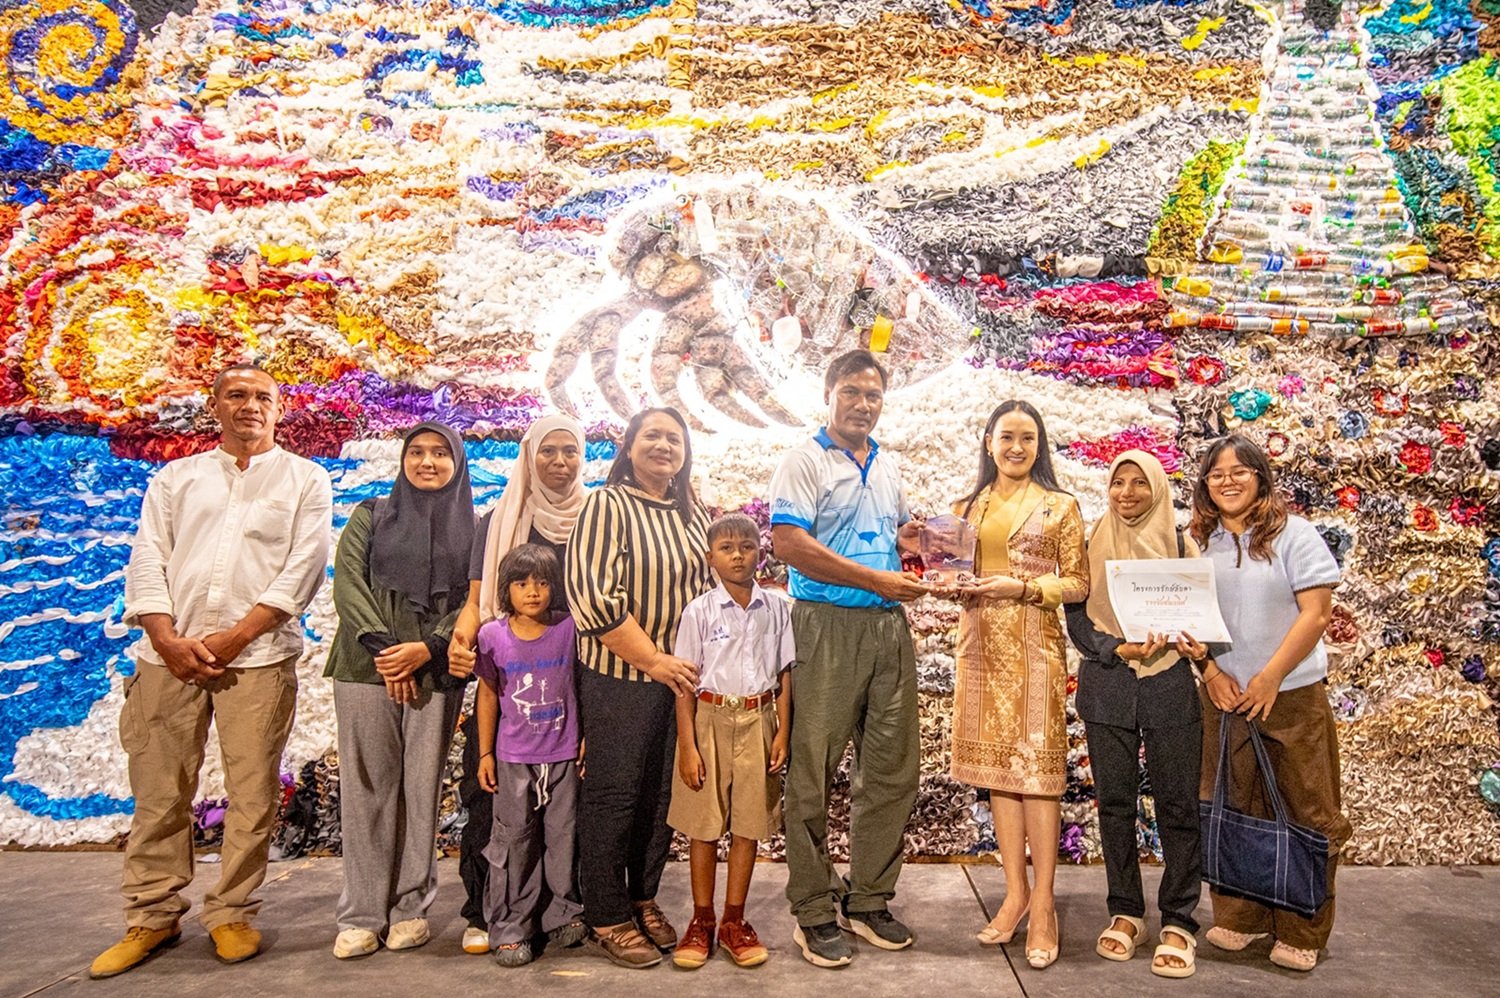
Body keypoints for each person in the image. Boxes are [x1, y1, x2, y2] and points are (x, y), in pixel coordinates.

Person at [93, 363, 332, 978]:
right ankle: (151, 915)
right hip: (166, 659)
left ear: (279, 410)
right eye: (237, 395)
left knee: (252, 793)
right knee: (160, 790)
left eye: (263, 397)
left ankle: (232, 911)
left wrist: (237, 636)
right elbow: (147, 556)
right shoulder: (177, 478)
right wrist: (164, 636)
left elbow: (304, 567)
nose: (250, 406)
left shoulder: (305, 479)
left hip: (258, 658)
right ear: (215, 406)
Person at [769, 349, 929, 969]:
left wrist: (909, 541)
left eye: (873, 395)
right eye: (852, 393)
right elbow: (790, 544)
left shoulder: (886, 465)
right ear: (829, 394)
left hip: (887, 628)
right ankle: (813, 907)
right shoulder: (804, 460)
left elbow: (892, 534)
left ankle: (867, 898)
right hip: (825, 626)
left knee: (891, 769)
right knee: (812, 770)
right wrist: (873, 578)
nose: (863, 405)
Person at [1190, 435, 1349, 973]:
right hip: (1224, 696)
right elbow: (1187, 616)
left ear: (1260, 476)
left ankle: (1302, 927)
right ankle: (1241, 917)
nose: (1228, 481)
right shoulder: (1200, 543)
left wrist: (1271, 677)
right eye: (1216, 473)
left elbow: (1317, 613)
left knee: (1308, 809)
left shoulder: (1294, 535)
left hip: (1291, 696)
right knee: (1233, 805)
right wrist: (1211, 672)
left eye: (1239, 470)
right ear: (1205, 484)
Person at [325, 421, 476, 959]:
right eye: (417, 452)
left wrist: (429, 648)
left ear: (457, 463)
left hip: (434, 672)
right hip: (366, 669)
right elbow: (348, 583)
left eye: (440, 453)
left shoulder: (474, 529)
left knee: (421, 787)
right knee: (367, 787)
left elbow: (475, 599)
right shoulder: (370, 515)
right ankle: (362, 914)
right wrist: (387, 650)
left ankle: (410, 907)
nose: (427, 462)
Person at [566, 407, 711, 969]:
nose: (663, 445)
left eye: (674, 438)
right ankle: (605, 913)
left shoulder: (692, 512)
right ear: (628, 447)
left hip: (679, 683)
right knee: (615, 794)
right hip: (621, 677)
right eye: (652, 435)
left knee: (660, 797)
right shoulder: (607, 505)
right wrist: (654, 660)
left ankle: (642, 896)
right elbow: (592, 596)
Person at [949, 399, 1087, 971]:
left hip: (1034, 650)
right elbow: (952, 572)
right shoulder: (966, 506)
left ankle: (1045, 903)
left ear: (1039, 445)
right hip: (980, 647)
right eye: (1007, 436)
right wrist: (950, 582)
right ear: (988, 442)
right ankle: (1015, 894)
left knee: (1037, 777)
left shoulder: (1060, 506)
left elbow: (1078, 583)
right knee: (998, 774)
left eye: (1027, 438)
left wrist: (1026, 588)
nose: (1016, 447)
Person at [1063, 450, 1205, 978]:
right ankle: (1125, 911)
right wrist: (1115, 648)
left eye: (1139, 482)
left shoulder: (1181, 544)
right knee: (1116, 805)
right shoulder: (1090, 544)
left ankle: (1180, 920)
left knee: (1178, 805)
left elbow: (1201, 616)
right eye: (1118, 482)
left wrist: (1198, 644)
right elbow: (1077, 620)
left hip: (1169, 683)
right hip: (1109, 686)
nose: (1127, 493)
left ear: (1158, 488)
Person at [449, 414, 587, 954]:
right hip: (509, 690)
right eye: (547, 450)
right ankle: (495, 916)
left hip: (567, 690)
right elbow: (476, 597)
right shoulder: (500, 519)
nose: (559, 461)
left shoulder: (593, 516)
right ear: (529, 455)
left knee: (563, 826)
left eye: (569, 450)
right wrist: (466, 634)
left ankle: (562, 912)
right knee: (502, 821)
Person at [668, 513, 795, 970]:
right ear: (710, 558)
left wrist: (782, 731)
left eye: (746, 546)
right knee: (703, 826)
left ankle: (734, 920)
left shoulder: (777, 608)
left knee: (748, 824)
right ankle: (701, 919)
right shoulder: (699, 611)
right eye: (727, 548)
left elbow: (784, 675)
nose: (738, 556)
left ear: (761, 551)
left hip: (759, 718)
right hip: (709, 719)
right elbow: (684, 683)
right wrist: (688, 745)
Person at [473, 544, 587, 966]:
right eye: (521, 583)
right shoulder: (492, 636)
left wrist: (587, 735)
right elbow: (488, 694)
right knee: (513, 842)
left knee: (563, 837)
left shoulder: (569, 630)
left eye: (541, 582)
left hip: (562, 754)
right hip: (513, 757)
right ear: (507, 588)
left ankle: (564, 911)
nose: (533, 591)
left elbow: (582, 684)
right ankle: (510, 926)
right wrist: (485, 752)